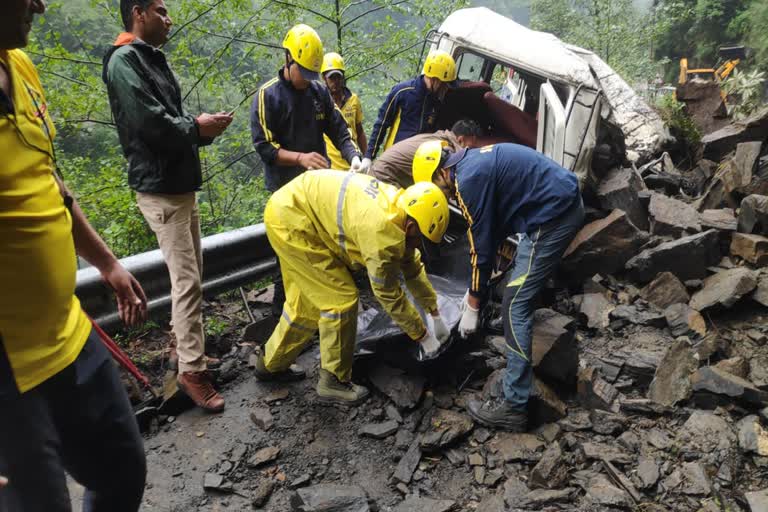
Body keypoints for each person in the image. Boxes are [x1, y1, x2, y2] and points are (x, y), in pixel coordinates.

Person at [0, 0, 149, 509]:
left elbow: (50, 182)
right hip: (9, 372)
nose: (39, 6)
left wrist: (106, 262)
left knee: (122, 472)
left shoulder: (18, 65)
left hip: (66, 331)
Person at [103, 0, 232, 412]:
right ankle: (192, 372)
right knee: (187, 282)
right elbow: (150, 124)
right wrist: (197, 127)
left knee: (190, 277)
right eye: (161, 10)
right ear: (138, 12)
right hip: (161, 189)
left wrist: (202, 129)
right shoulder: (126, 62)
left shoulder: (148, 59)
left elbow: (168, 119)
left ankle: (184, 352)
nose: (168, 18)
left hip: (177, 185)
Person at [412, 141, 584, 432]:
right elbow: (489, 235)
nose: (442, 196)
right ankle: (504, 324)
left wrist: (473, 302)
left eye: (436, 188)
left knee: (516, 303)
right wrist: (475, 290)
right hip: (552, 207)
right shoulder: (471, 164)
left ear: (441, 173)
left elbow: (480, 248)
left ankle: (514, 405)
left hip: (554, 217)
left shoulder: (466, 182)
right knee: (515, 280)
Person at [254, 171, 452, 405]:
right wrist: (421, 335)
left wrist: (434, 312)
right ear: (410, 227)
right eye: (421, 239)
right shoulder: (382, 234)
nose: (420, 245)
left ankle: (270, 364)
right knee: (340, 300)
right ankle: (333, 381)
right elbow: (388, 294)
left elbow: (412, 269)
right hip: (293, 221)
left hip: (295, 211)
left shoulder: (400, 209)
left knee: (305, 304)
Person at [251, 24, 363, 319]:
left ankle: (322, 307)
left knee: (323, 246)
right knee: (287, 254)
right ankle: (282, 312)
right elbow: (265, 147)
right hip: (285, 190)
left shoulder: (317, 92)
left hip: (317, 188)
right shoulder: (268, 96)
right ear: (288, 59)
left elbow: (339, 130)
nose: (308, 80)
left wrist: (353, 156)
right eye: (304, 72)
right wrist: (300, 158)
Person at [360, 49, 457, 172]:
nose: (445, 88)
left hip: (419, 163)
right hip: (393, 160)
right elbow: (381, 124)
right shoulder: (402, 92)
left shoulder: (437, 102)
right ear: (434, 79)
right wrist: (369, 156)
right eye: (444, 84)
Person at [369, 119, 485, 189]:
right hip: (383, 182)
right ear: (460, 140)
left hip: (377, 174)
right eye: (472, 148)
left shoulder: (437, 138)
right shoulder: (444, 150)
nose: (471, 154)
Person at [321, 52, 367, 170]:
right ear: (324, 78)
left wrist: (367, 157)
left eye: (338, 77)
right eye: (332, 77)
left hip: (352, 162)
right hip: (330, 166)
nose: (335, 81)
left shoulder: (353, 100)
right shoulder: (320, 103)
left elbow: (359, 131)